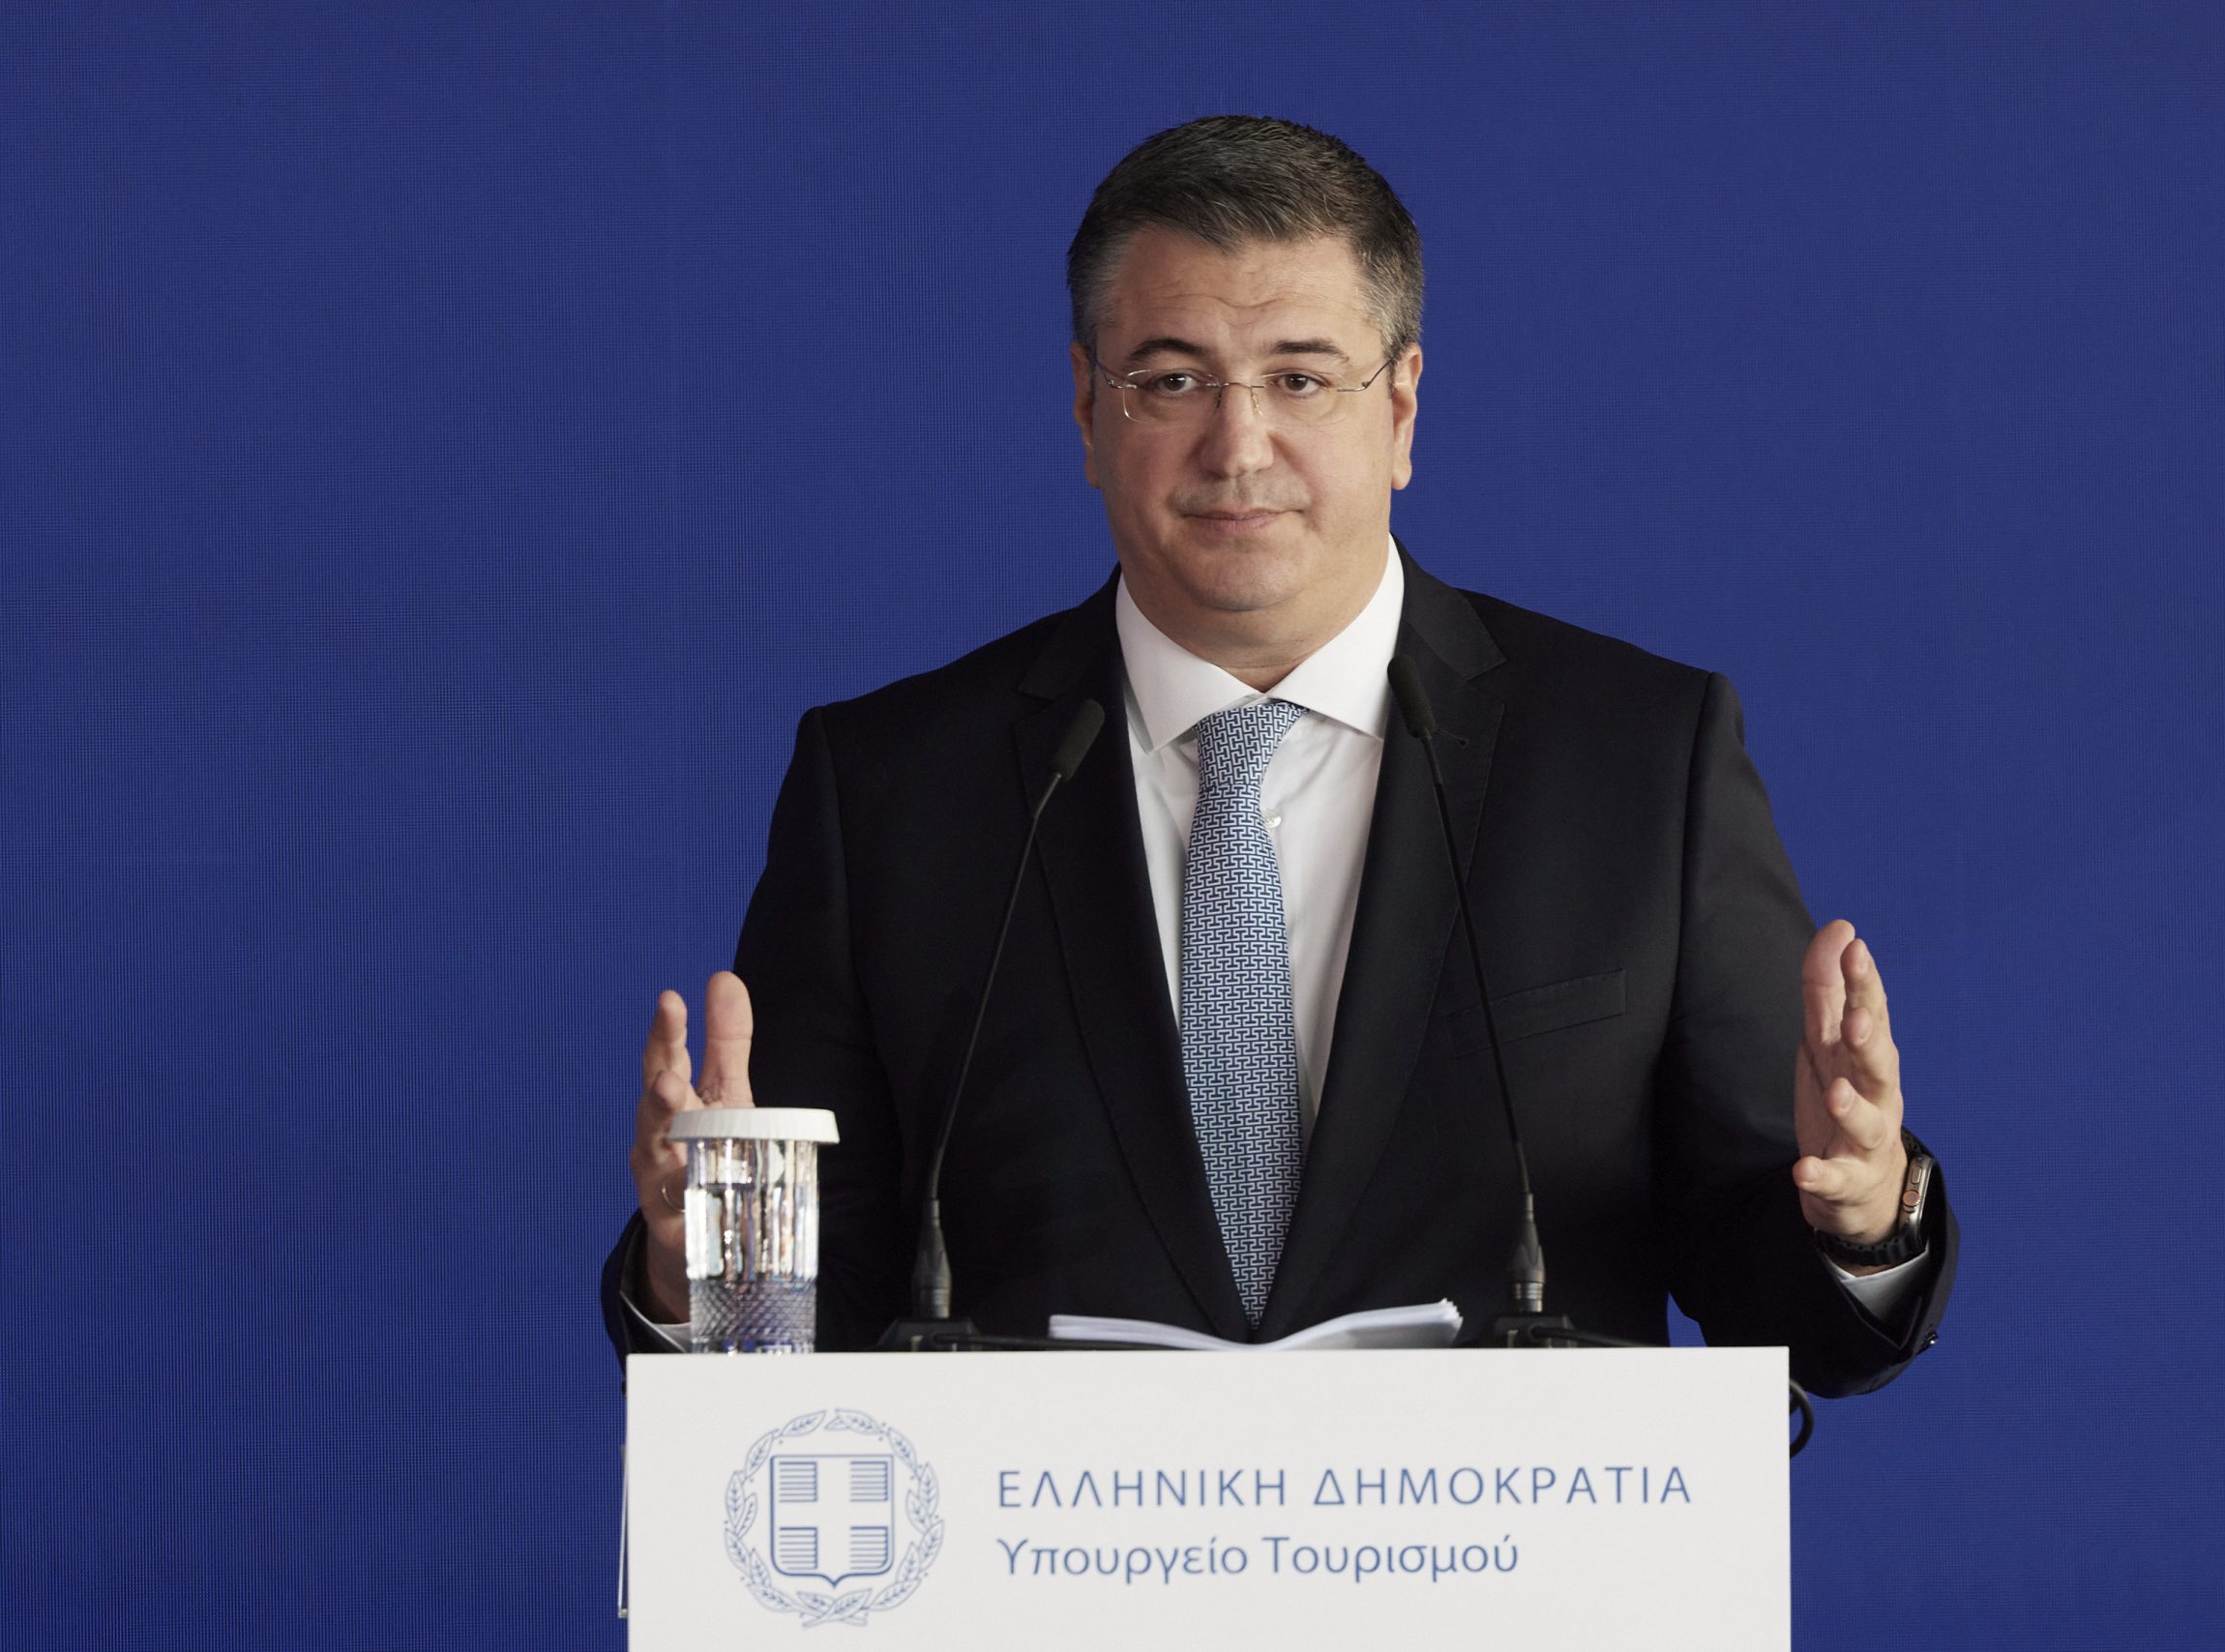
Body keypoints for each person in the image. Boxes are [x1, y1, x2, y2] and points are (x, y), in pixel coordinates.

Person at [602, 116, 1955, 1393]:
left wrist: (1860, 1215)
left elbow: (1785, 1316)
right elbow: (799, 1337)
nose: (1238, 446)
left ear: (1401, 408)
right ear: (1086, 408)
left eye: (1300, 378)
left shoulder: (1639, 758)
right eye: (1172, 380)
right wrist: (698, 1268)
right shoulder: (890, 789)